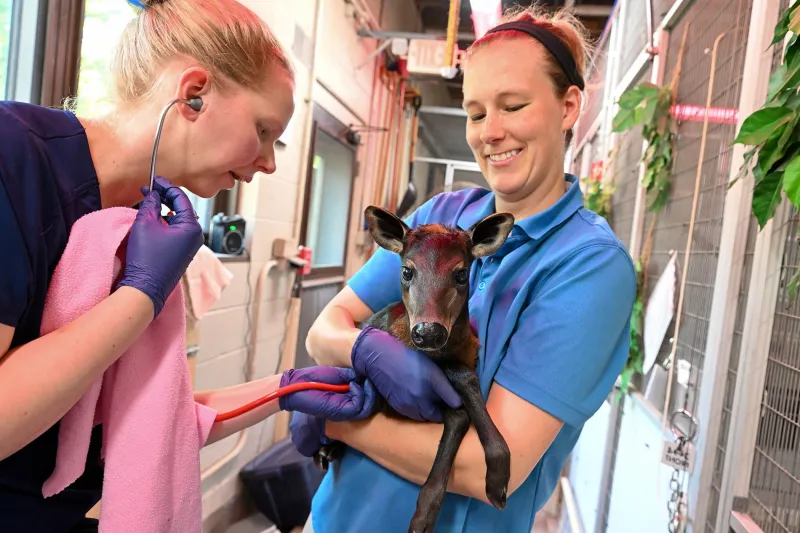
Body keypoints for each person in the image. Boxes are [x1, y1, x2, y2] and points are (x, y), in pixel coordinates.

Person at [0, 1, 376, 532]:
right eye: (264, 130)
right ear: (193, 93)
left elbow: (154, 418)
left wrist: (287, 390)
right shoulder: (13, 156)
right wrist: (139, 297)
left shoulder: (136, 222)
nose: (269, 163)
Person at [290, 6, 637, 533]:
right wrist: (365, 348)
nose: (490, 132)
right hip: (334, 518)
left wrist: (337, 425)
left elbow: (484, 468)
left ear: (568, 107)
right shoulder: (441, 219)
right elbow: (324, 330)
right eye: (475, 114)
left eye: (513, 106)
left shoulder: (588, 267)